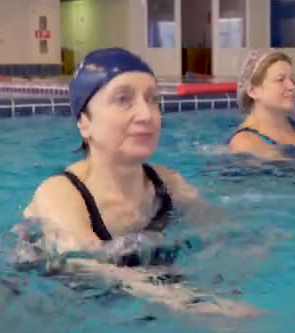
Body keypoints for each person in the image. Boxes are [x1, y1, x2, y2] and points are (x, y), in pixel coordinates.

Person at [19, 47, 259, 318]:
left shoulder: (168, 185)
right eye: (123, 99)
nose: (146, 115)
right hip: (44, 306)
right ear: (85, 122)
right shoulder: (60, 193)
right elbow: (84, 263)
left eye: (152, 99)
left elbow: (225, 235)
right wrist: (196, 304)